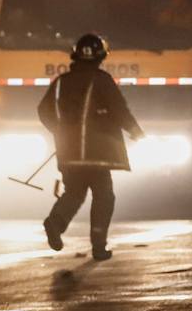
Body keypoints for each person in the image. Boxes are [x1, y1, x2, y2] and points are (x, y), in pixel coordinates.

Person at [38, 33, 145, 261]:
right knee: (104, 196)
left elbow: (43, 110)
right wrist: (136, 132)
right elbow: (120, 111)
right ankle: (98, 246)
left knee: (75, 193)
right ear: (100, 57)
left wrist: (59, 131)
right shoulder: (102, 80)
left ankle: (55, 224)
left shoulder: (60, 82)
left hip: (69, 153)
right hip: (99, 154)